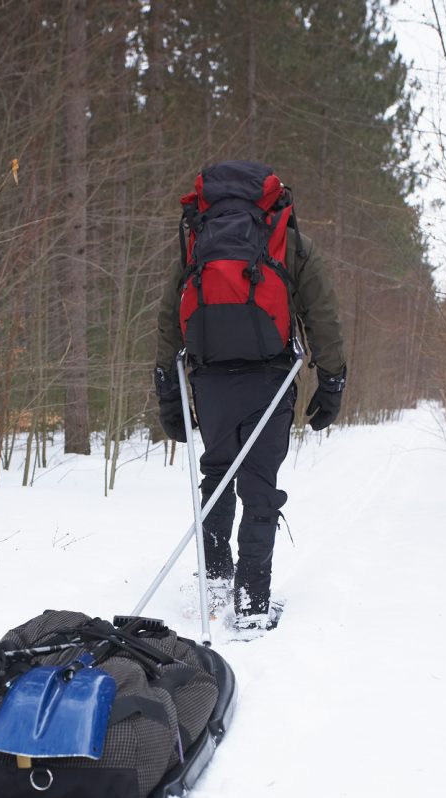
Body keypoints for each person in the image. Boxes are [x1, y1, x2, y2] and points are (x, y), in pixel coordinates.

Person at [154, 160, 347, 631]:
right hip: (271, 378)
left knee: (218, 473)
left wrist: (167, 389)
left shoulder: (198, 241)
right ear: (274, 199)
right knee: (258, 484)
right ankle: (252, 602)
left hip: (209, 377)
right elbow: (322, 316)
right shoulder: (289, 242)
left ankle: (215, 583)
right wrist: (332, 380)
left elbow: (168, 316)